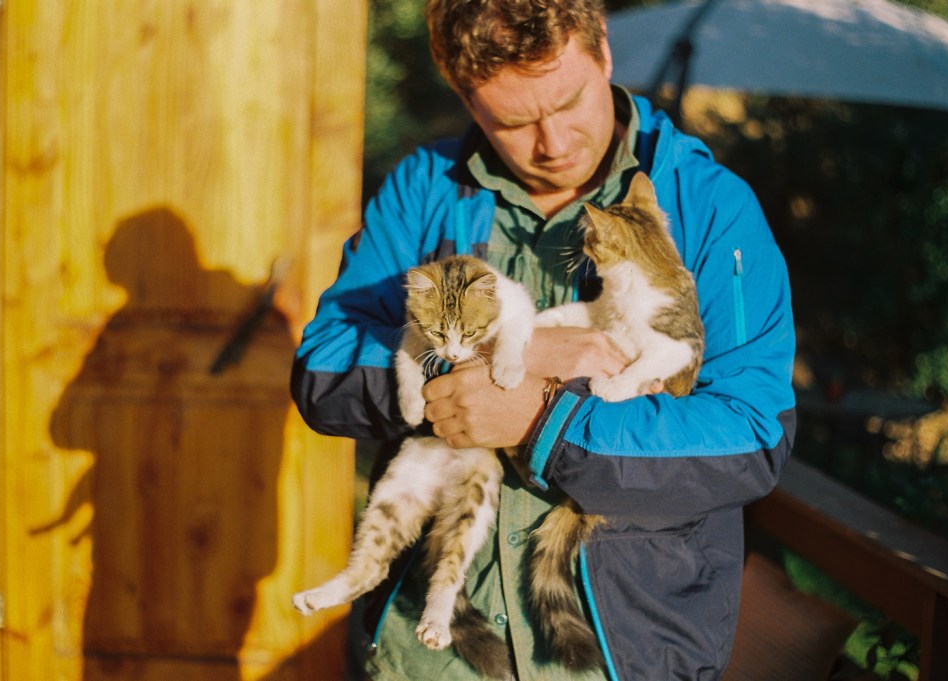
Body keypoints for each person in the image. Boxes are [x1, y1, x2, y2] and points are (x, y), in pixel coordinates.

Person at [291, 0, 796, 679]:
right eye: (513, 123)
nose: (554, 143)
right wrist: (500, 360)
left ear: (603, 51)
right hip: (428, 655)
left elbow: (752, 437)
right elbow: (322, 369)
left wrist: (543, 419)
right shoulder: (426, 187)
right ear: (467, 100)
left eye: (569, 101)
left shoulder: (710, 204)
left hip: (624, 656)